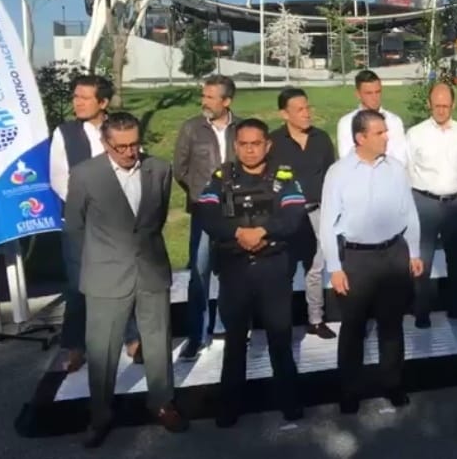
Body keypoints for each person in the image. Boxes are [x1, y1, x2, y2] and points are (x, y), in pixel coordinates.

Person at [64, 112, 187, 448]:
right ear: (106, 144)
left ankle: (162, 402)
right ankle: (99, 415)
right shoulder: (85, 175)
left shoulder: (159, 169)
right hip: (105, 275)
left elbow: (156, 219)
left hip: (150, 270)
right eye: (121, 147)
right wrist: (91, 266)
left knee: (158, 342)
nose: (130, 152)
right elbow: (74, 226)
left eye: (135, 144)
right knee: (102, 351)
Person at [197, 118, 307, 427]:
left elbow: (294, 216)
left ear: (267, 145)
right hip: (234, 269)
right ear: (235, 146)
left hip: (273, 269)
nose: (249, 150)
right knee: (234, 341)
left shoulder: (284, 177)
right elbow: (207, 215)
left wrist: (261, 230)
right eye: (243, 144)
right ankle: (230, 405)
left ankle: (290, 400)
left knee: (280, 337)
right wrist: (239, 233)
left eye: (255, 143)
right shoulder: (221, 178)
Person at [321, 109, 425, 414]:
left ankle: (392, 384)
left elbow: (409, 212)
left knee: (391, 325)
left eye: (385, 131)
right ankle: (349, 390)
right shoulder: (338, 173)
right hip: (357, 259)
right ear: (360, 137)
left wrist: (414, 252)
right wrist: (334, 268)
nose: (386, 137)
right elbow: (327, 223)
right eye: (379, 133)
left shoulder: (395, 168)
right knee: (353, 328)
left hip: (394, 255)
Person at [49, 75, 139, 372]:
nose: (77, 102)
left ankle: (134, 338)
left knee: (125, 280)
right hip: (79, 222)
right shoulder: (65, 133)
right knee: (78, 286)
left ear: (103, 102)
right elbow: (59, 178)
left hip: (118, 221)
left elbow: (133, 164)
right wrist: (85, 208)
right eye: (75, 96)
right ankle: (75, 346)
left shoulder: (122, 128)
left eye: (84, 97)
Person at [173, 75, 237, 360]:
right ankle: (196, 336)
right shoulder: (191, 128)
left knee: (233, 272)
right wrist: (201, 194)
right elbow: (180, 169)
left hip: (236, 211)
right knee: (199, 273)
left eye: (211, 97)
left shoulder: (240, 128)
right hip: (204, 210)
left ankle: (227, 329)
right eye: (204, 95)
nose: (205, 101)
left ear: (227, 101)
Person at [268, 88, 337, 338]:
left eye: (307, 107)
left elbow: (332, 175)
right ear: (284, 114)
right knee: (283, 270)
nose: (307, 113)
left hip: (318, 212)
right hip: (286, 216)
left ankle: (316, 319)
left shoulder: (321, 139)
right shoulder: (273, 142)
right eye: (299, 109)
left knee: (316, 268)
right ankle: (281, 323)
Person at [405, 83, 457, 327]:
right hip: (425, 201)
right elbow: (408, 167)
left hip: (456, 202)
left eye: (446, 106)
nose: (441, 110)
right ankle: (421, 310)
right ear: (429, 104)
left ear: (453, 105)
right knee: (421, 260)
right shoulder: (415, 134)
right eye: (437, 106)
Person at [336, 69, 408, 164]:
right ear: (358, 94)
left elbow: (400, 158)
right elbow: (346, 159)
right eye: (369, 93)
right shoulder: (346, 123)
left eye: (378, 92)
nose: (375, 98)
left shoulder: (394, 121)